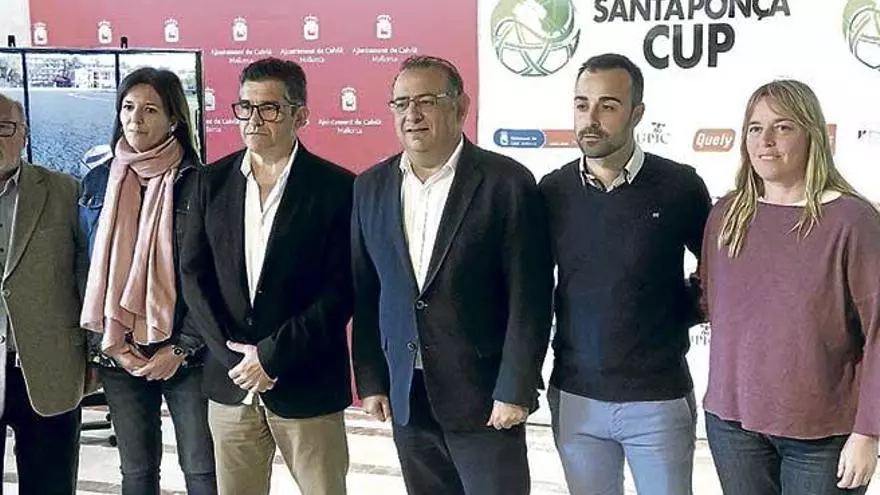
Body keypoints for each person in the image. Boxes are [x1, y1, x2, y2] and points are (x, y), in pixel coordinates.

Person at [351, 55, 553, 495]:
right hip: (408, 393)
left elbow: (531, 297)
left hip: (485, 396)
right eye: (401, 103)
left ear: (461, 107)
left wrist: (515, 388)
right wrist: (371, 380)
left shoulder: (506, 182)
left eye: (426, 101)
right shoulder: (370, 187)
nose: (412, 114)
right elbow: (367, 292)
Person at [538, 53, 711, 495]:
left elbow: (720, 271)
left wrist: (680, 311)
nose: (590, 119)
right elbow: (530, 289)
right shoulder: (552, 191)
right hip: (576, 397)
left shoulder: (680, 186)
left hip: (659, 399)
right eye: (582, 105)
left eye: (608, 106)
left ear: (637, 113)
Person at [180, 57, 353, 495]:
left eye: (269, 108)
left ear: (300, 115)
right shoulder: (210, 182)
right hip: (230, 382)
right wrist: (235, 359)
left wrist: (270, 358)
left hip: (307, 381)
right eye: (245, 107)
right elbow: (194, 276)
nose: (254, 119)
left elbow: (341, 290)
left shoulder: (337, 188)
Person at [701, 79, 880, 495]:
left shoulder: (852, 222)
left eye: (782, 127)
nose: (765, 140)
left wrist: (869, 432)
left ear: (812, 134)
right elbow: (707, 298)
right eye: (755, 128)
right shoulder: (726, 215)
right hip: (733, 427)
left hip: (823, 438)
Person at [79, 67, 216, 494]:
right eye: (127, 107)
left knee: (202, 470)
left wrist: (182, 346)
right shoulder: (98, 181)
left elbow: (214, 276)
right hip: (118, 352)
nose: (135, 119)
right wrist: (109, 348)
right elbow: (86, 270)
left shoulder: (201, 183)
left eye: (150, 109)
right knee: (136, 472)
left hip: (187, 355)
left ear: (174, 119)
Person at [0, 92, 88, 494]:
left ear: (24, 134)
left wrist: (93, 356)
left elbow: (85, 278)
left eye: (4, 128)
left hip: (49, 370)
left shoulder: (64, 191)